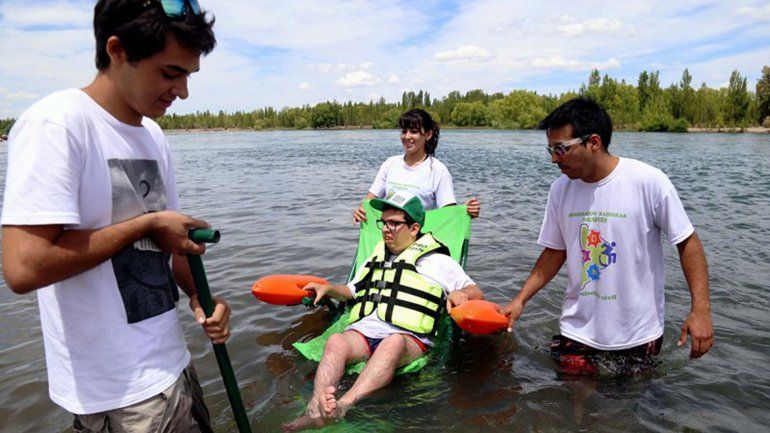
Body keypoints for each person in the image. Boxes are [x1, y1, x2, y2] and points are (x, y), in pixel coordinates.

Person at [1, 1, 229, 432]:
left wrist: (200, 296)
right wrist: (145, 224)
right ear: (117, 50)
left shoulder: (152, 134)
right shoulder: (57, 124)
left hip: (173, 363)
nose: (183, 91)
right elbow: (23, 267)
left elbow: (170, 239)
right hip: (119, 394)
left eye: (188, 75)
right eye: (170, 73)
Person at [501, 98, 713, 376]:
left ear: (594, 142)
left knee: (629, 399)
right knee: (574, 393)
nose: (554, 159)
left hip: (638, 331)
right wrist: (520, 300)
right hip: (577, 327)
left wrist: (700, 310)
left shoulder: (648, 181)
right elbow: (555, 251)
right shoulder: (560, 190)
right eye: (550, 149)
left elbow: (687, 242)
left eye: (560, 149)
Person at [285, 191, 484, 432]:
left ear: (414, 228)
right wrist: (328, 288)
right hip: (365, 331)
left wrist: (460, 294)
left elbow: (475, 290)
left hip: (407, 337)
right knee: (336, 341)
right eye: (383, 223)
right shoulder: (376, 256)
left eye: (394, 223)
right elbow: (352, 290)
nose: (386, 229)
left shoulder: (437, 261)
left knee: (392, 342)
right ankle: (316, 409)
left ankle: (343, 405)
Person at [352, 108, 481, 222]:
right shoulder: (389, 164)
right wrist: (361, 211)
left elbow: (448, 215)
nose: (407, 137)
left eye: (414, 131)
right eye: (404, 131)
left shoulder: (438, 170)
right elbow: (368, 203)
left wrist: (465, 212)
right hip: (390, 236)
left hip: (421, 239)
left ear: (428, 135)